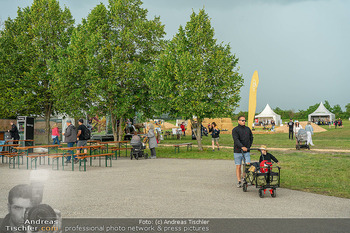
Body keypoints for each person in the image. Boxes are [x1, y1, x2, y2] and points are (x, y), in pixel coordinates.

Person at [232, 116, 253, 188]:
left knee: (247, 165)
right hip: (238, 151)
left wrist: (248, 147)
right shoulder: (235, 130)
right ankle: (239, 181)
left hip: (246, 151)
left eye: (244, 120)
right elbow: (236, 140)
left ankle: (244, 178)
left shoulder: (248, 129)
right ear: (238, 121)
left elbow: (251, 137)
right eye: (242, 120)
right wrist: (242, 147)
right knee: (238, 166)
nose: (244, 121)